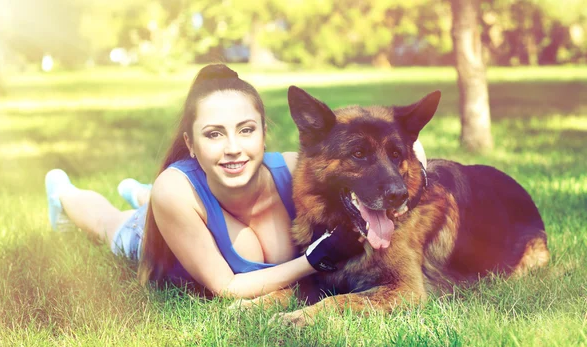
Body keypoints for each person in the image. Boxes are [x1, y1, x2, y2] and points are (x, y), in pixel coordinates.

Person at [45, 64, 427, 299]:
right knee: (112, 223)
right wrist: (313, 260)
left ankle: (137, 193)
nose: (233, 148)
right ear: (191, 145)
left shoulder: (300, 170)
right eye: (214, 135)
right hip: (172, 228)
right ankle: (64, 192)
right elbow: (227, 288)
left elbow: (410, 152)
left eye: (246, 130)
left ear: (264, 133)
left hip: (188, 202)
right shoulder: (173, 191)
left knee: (147, 200)